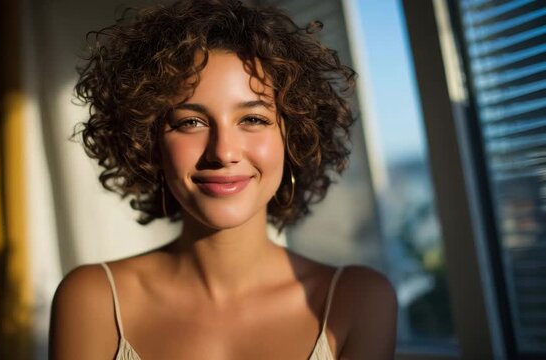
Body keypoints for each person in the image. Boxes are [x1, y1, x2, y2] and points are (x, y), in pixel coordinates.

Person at [49, 0, 397, 359]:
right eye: (190, 122)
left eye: (253, 120)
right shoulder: (93, 300)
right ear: (147, 141)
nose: (223, 151)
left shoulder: (358, 301)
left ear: (293, 137)